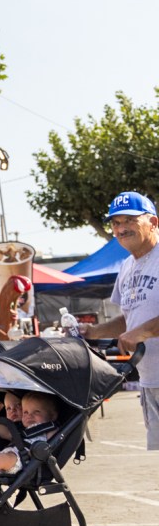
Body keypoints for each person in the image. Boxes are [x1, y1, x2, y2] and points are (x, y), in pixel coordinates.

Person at [81, 192, 159, 451]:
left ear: (153, 223)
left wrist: (141, 332)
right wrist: (92, 331)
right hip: (150, 379)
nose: (121, 228)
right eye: (115, 223)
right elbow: (130, 318)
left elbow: (137, 328)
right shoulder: (126, 267)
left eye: (129, 220)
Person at [0, 391, 61, 474]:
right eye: (25, 412)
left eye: (36, 412)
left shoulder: (51, 429)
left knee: (2, 459)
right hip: (10, 454)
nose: (29, 416)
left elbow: (53, 445)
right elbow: (6, 433)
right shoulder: (25, 430)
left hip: (23, 460)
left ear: (52, 415)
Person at [0, 275, 32, 341]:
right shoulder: (4, 309)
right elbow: (0, 332)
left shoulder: (12, 308)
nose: (20, 295)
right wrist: (9, 336)